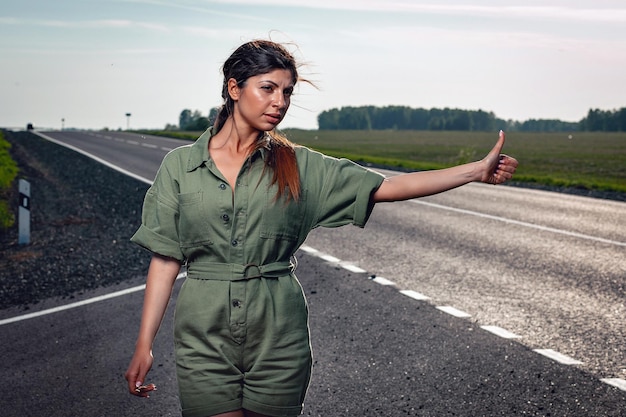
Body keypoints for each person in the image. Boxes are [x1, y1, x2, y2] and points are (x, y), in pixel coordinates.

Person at [125, 39, 518, 417]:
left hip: (279, 336)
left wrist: (474, 171)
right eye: (268, 88)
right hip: (202, 338)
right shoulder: (179, 167)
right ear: (234, 88)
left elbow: (389, 185)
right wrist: (145, 344)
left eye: (287, 92)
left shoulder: (299, 165)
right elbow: (165, 260)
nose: (280, 102)